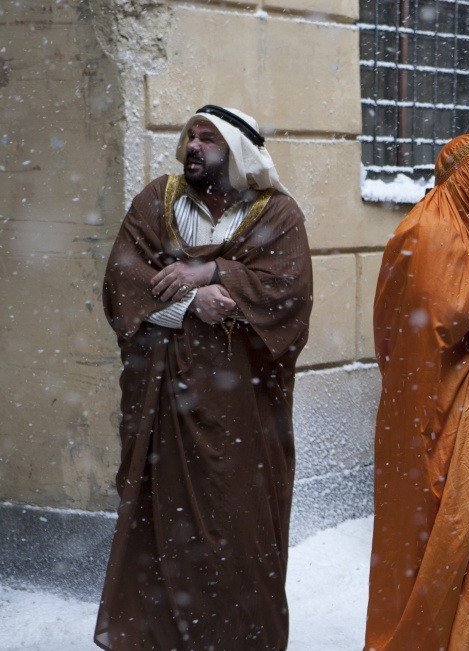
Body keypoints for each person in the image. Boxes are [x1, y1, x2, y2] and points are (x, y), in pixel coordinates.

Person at [95, 105, 312, 650]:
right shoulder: (158, 201)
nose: (192, 146)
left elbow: (289, 296)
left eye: (207, 138)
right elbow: (122, 280)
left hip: (244, 411)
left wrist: (219, 271)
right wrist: (193, 302)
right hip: (165, 398)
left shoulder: (279, 215)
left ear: (237, 153)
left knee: (241, 525)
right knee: (162, 523)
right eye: (190, 136)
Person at [365, 133, 469, 651]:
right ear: (466, 182)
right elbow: (442, 320)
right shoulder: (433, 232)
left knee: (459, 539)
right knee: (435, 537)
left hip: (456, 404)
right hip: (431, 414)